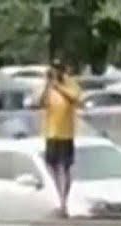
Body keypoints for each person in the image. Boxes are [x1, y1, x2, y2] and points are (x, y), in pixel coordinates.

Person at [39, 59, 82, 215]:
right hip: (51, 132)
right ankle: (60, 196)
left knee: (64, 167)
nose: (55, 73)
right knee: (52, 166)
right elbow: (40, 103)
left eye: (58, 70)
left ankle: (64, 202)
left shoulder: (70, 84)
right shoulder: (49, 87)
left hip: (66, 133)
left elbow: (75, 99)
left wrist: (58, 86)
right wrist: (47, 85)